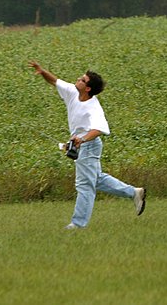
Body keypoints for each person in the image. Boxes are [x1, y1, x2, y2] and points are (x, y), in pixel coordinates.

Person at [29, 61, 146, 229]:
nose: (78, 79)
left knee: (85, 185)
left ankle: (78, 224)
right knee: (96, 179)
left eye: (82, 80)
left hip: (89, 146)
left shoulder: (93, 108)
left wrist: (81, 140)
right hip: (81, 146)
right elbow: (55, 81)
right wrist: (42, 71)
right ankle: (134, 193)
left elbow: (99, 129)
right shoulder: (72, 92)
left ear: (88, 88)